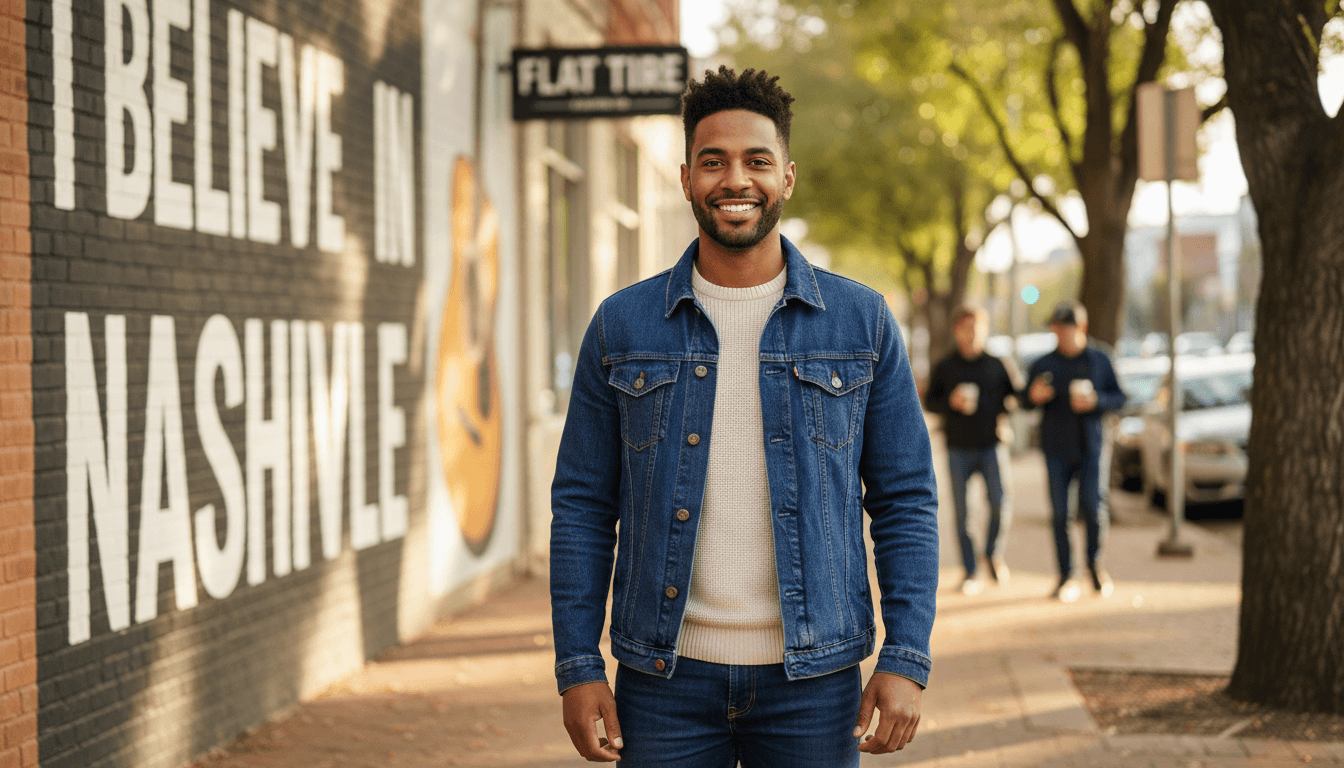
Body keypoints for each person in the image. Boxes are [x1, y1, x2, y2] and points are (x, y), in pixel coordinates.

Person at [549, 66, 940, 766]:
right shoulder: (622, 325)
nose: (736, 180)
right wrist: (578, 665)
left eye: (757, 161)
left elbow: (906, 498)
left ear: (787, 176)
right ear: (685, 178)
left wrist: (905, 655)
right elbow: (581, 505)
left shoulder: (861, 321)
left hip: (814, 684)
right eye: (713, 161)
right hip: (661, 681)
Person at [1022, 300, 1126, 603]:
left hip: (1092, 448)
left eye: (1062, 327)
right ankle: (1066, 575)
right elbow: (1025, 400)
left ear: (1080, 327)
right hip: (1055, 448)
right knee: (1059, 515)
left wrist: (1096, 402)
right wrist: (1033, 396)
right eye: (1054, 327)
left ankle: (1094, 566)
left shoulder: (1100, 359)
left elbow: (1119, 397)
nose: (1057, 333)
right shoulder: (1043, 364)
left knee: (1094, 509)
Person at [925, 306, 1018, 596]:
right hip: (958, 448)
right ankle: (970, 570)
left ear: (985, 329)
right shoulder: (945, 366)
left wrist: (1005, 416)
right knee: (962, 512)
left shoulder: (998, 364)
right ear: (956, 331)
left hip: (992, 446)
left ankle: (991, 553)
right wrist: (949, 402)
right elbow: (930, 402)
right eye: (965, 326)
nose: (971, 332)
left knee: (1001, 503)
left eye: (976, 326)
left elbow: (1016, 397)